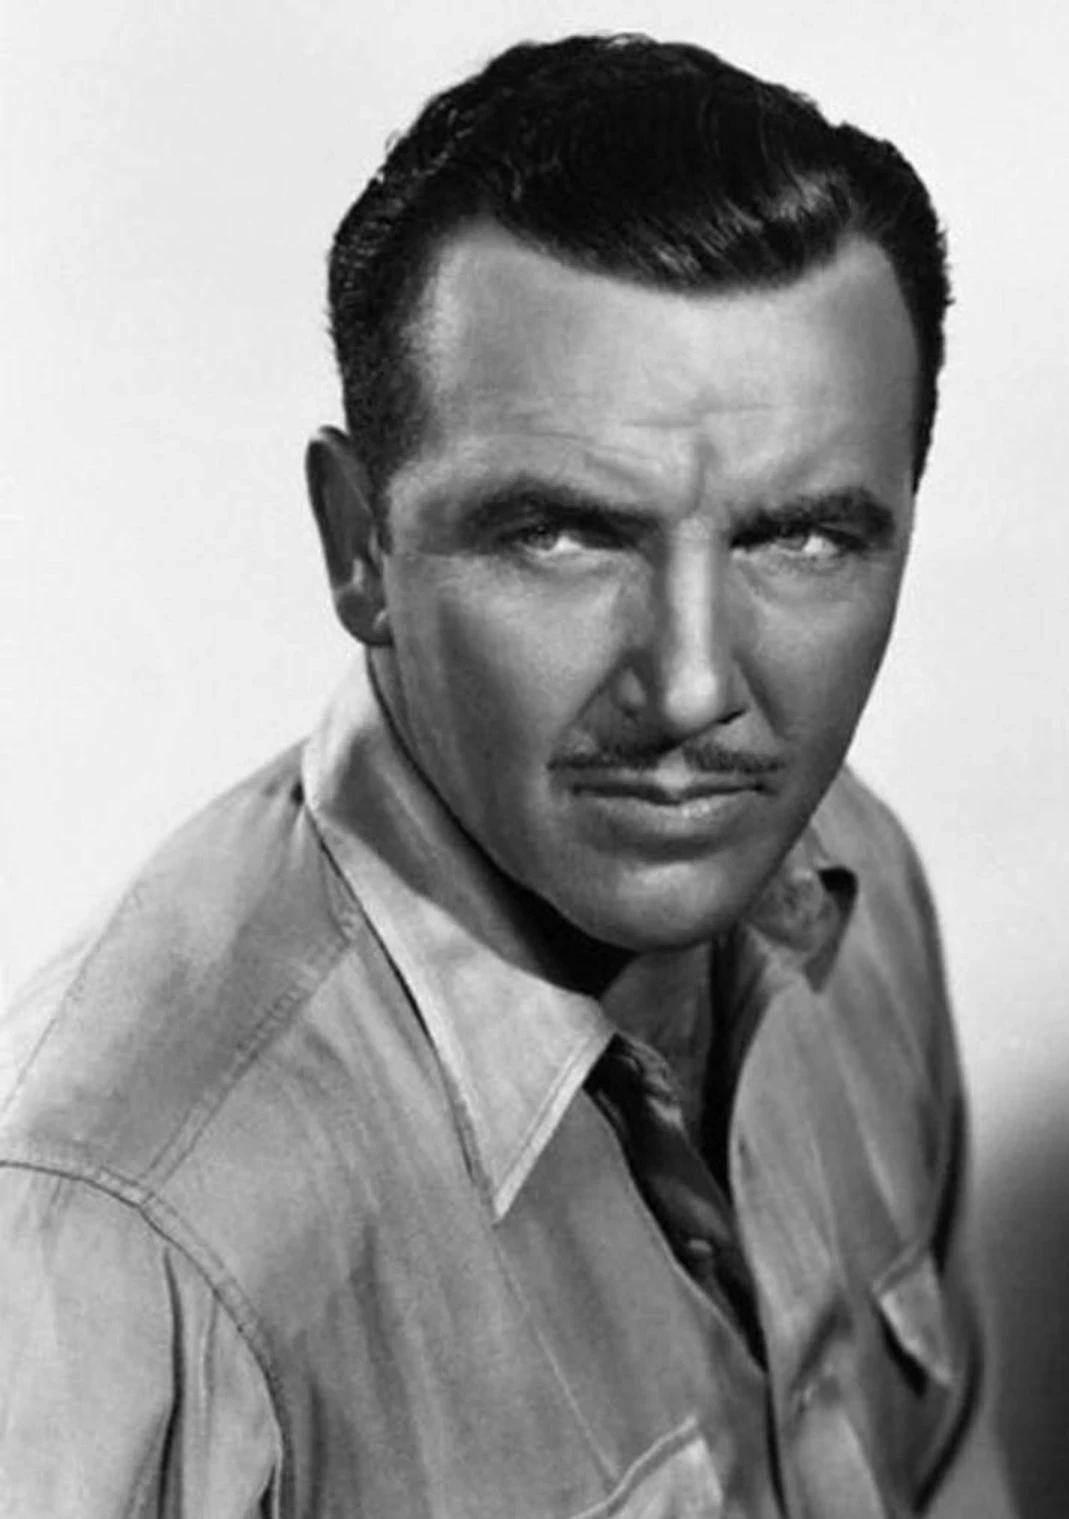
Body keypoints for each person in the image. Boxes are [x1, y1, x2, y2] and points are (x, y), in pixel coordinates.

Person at [0, 33, 1016, 1518]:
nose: (691, 687)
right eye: (563, 534)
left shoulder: (856, 890)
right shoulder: (123, 1237)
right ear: (360, 545)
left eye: (802, 536)